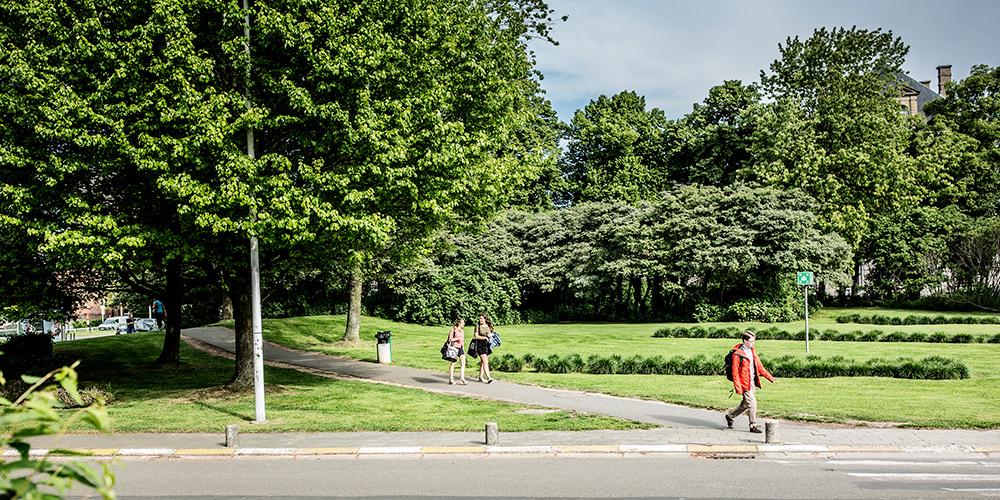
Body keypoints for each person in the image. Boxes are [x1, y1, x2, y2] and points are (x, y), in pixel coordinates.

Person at [725, 330, 775, 433]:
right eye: (751, 341)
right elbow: (735, 373)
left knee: (745, 405)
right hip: (744, 384)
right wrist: (738, 387)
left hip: (751, 382)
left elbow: (759, 367)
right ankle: (753, 425)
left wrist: (770, 377)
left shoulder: (752, 351)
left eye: (754, 341)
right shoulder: (737, 355)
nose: (753, 343)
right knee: (752, 403)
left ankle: (730, 416)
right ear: (744, 341)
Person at [472, 314, 495, 383]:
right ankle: (489, 377)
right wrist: (484, 337)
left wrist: (491, 336)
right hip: (480, 345)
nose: (480, 320)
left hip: (487, 345)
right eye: (479, 318)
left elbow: (490, 334)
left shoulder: (488, 326)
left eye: (481, 318)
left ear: (485, 319)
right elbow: (476, 336)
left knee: (483, 362)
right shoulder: (478, 326)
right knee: (485, 361)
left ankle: (480, 377)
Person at [446, 318, 468, 385]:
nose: (464, 324)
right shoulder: (453, 329)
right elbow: (450, 339)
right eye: (463, 322)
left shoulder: (462, 331)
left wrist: (463, 348)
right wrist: (458, 338)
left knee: (463, 363)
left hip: (460, 348)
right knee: (453, 363)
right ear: (459, 323)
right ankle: (451, 379)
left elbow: (462, 340)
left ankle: (462, 379)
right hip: (454, 348)